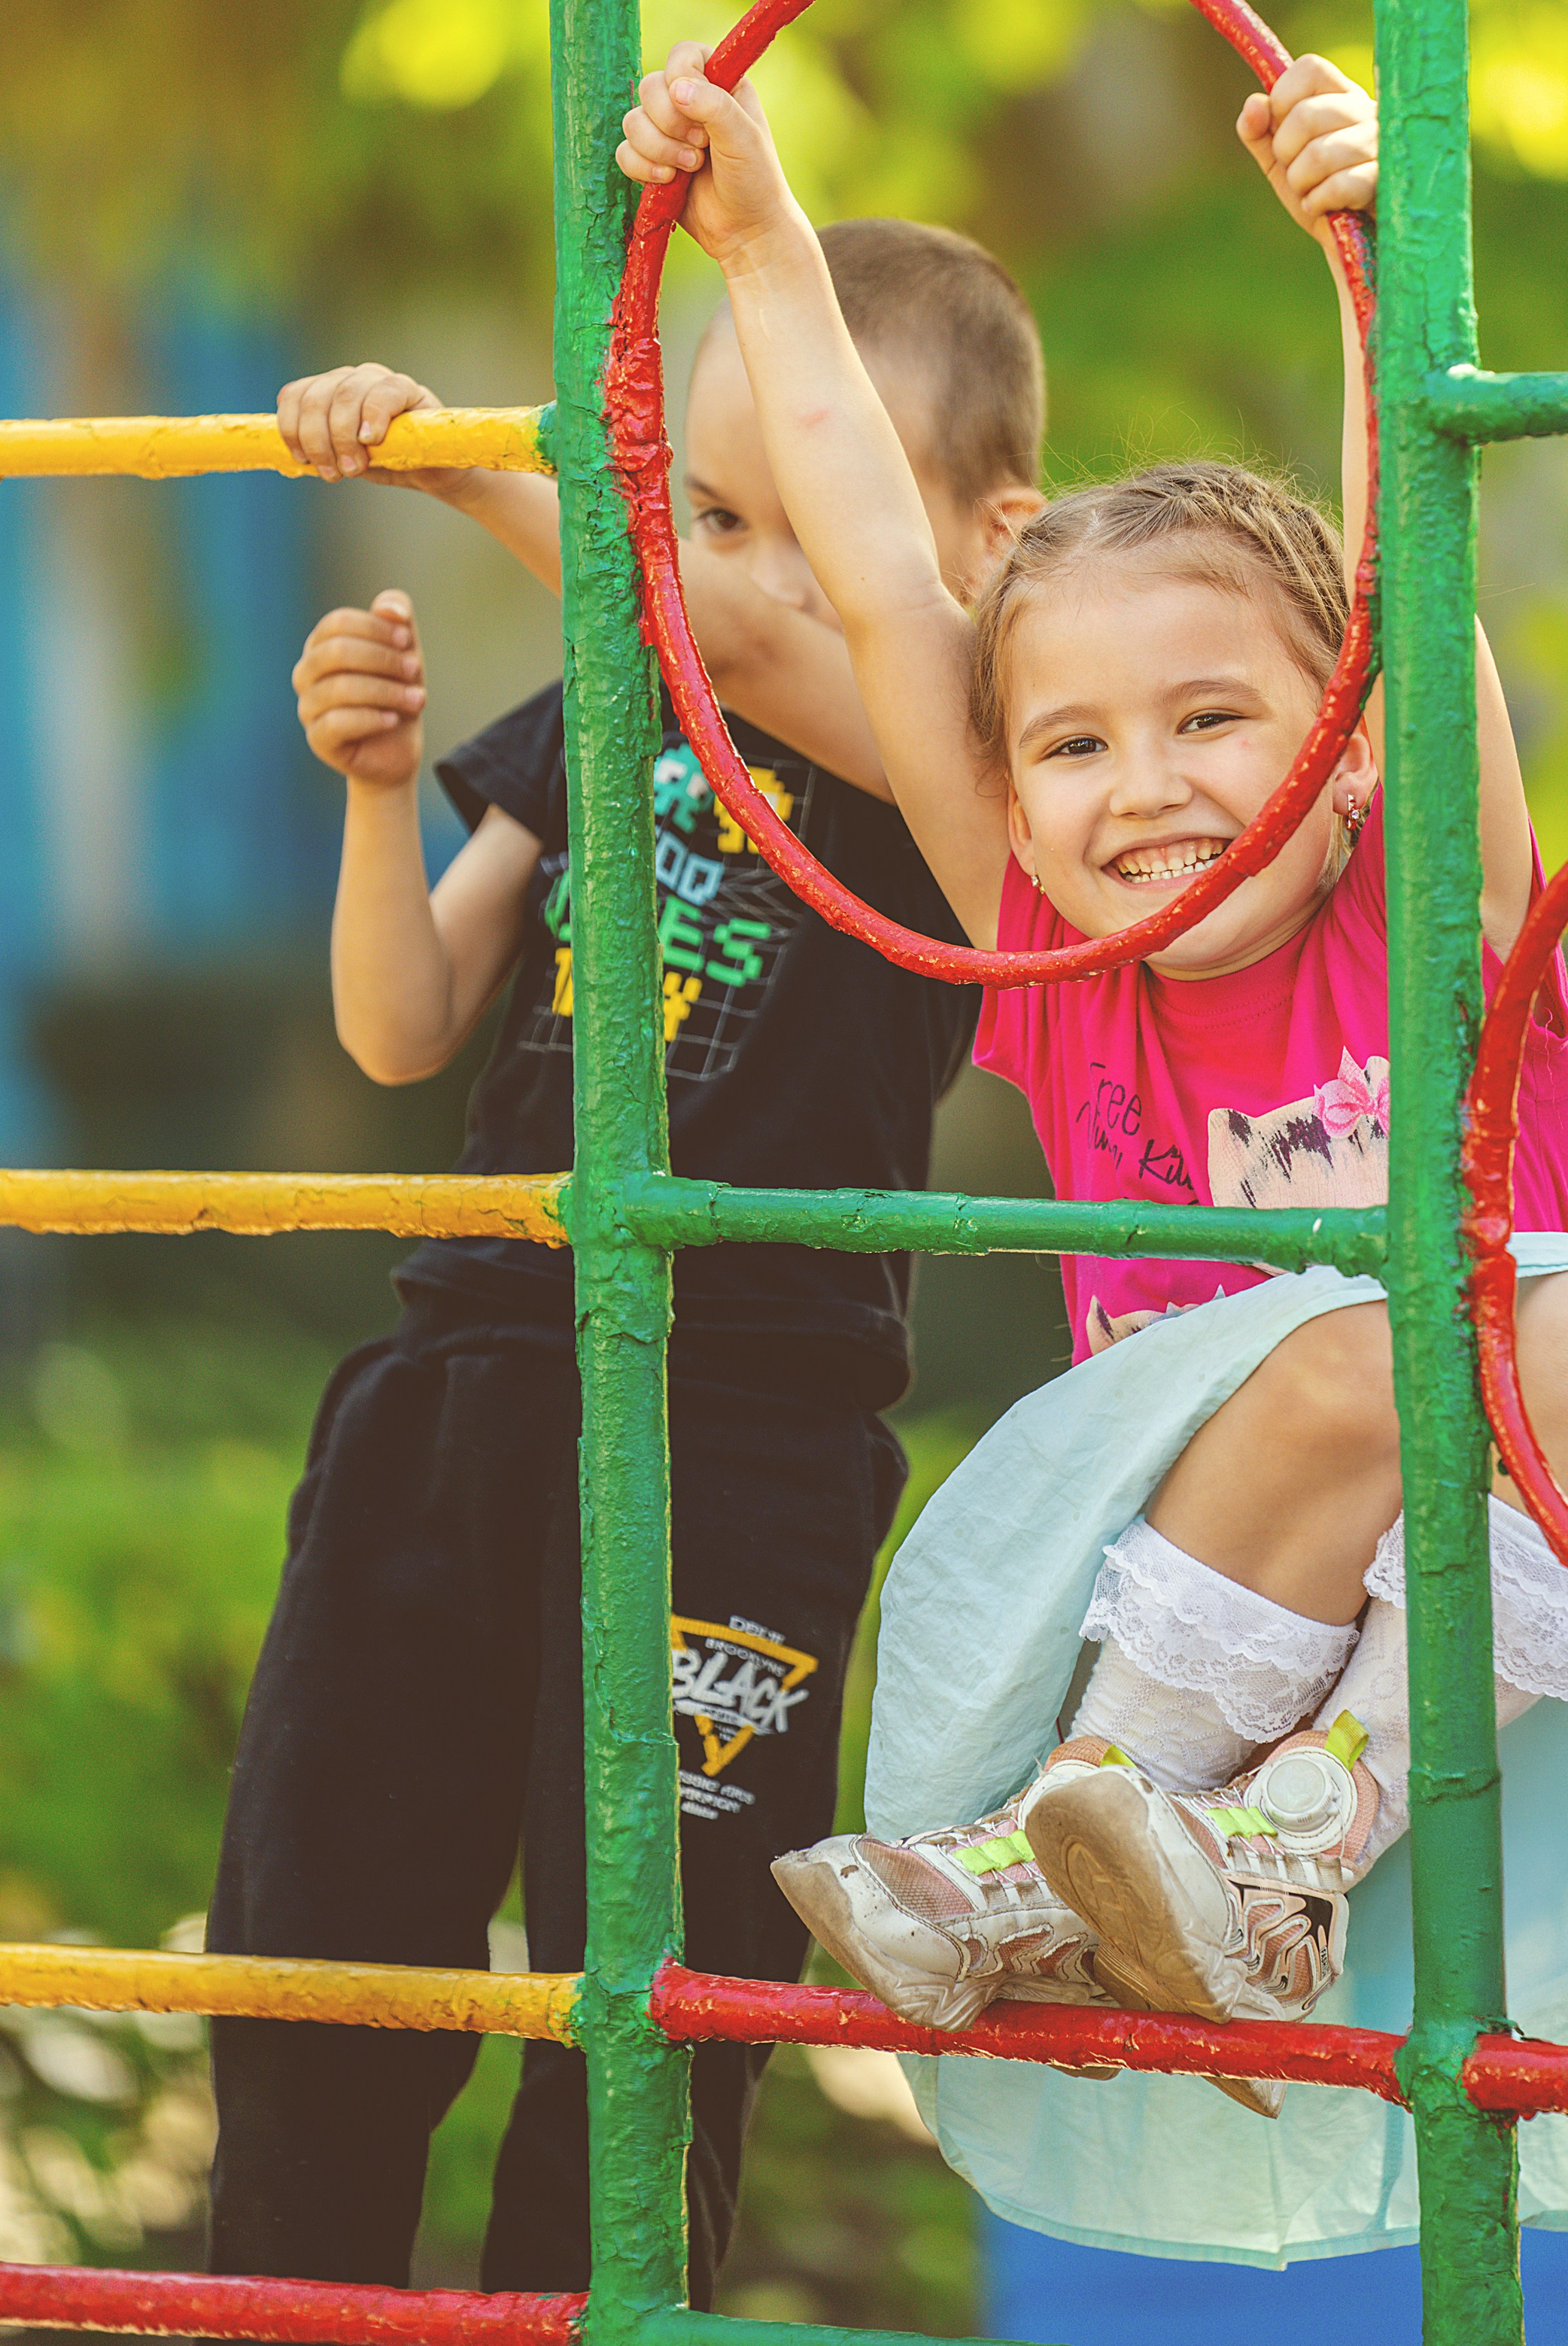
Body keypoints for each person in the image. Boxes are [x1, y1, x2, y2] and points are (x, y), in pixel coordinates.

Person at [612, 47, 1568, 2265]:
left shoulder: (1431, 917)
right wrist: (763, 238)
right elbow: (876, 575)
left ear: (1348, 750)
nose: (1141, 787)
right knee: (1357, 1347)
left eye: (1212, 719)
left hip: (1453, 1603)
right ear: (1011, 792)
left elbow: (1413, 566)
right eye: (1071, 743)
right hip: (1172, 1555)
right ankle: (1086, 1818)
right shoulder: (1058, 957)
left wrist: (1371, 269)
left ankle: (1278, 1849)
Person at [202, 218, 1044, 2305]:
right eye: (701, 510)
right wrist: (376, 795)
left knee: (656, 2001)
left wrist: (473, 466)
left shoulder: (968, 771)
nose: (733, 573)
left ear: (983, 542)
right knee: (320, 1942)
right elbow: (402, 1026)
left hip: (738, 1426)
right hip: (462, 1374)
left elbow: (738, 641)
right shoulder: (612, 688)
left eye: (806, 526)